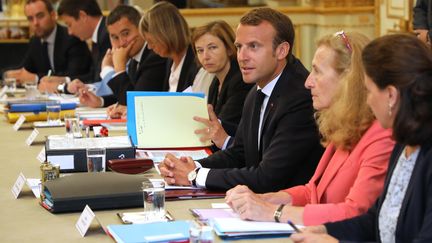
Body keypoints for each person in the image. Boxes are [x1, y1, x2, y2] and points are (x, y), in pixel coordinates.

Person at [225, 32, 395, 226]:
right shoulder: (346, 125)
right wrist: (266, 199)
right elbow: (312, 192)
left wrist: (273, 212)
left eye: (317, 71)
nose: (308, 82)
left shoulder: (381, 136)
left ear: (349, 79)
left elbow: (355, 213)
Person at [159, 7, 324, 193]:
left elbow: (268, 177)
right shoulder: (257, 89)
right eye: (239, 47)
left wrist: (195, 175)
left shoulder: (300, 96)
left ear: (281, 50)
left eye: (253, 46)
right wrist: (188, 166)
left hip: (289, 212)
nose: (242, 57)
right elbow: (240, 153)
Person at [290, 34, 432, 243]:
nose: (366, 100)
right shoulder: (403, 146)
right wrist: (326, 230)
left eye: (368, 91)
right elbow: (373, 221)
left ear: (391, 96)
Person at [77, 5, 167, 110]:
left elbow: (136, 104)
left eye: (126, 33)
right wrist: (101, 101)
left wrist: (119, 67)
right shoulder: (135, 58)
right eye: (115, 37)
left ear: (140, 28)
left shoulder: (154, 56)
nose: (121, 42)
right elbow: (131, 92)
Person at [191, 20, 253, 150]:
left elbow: (222, 128)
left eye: (212, 48)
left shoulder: (241, 81)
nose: (205, 56)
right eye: (200, 50)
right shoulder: (215, 81)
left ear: (229, 48)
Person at [4, 0, 91, 87]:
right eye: (30, 19)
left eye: (40, 16)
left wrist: (36, 78)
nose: (35, 23)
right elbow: (25, 69)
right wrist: (9, 75)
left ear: (53, 15)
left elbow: (73, 76)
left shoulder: (72, 37)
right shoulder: (35, 41)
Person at [40, 0, 112, 94]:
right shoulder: (99, 35)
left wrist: (61, 87)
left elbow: (101, 83)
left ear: (82, 16)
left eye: (69, 24)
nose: (70, 32)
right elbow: (93, 76)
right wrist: (64, 80)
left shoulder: (107, 35)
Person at [140, 1, 199, 93]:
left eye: (151, 41)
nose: (149, 47)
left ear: (165, 35)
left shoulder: (196, 61)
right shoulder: (169, 61)